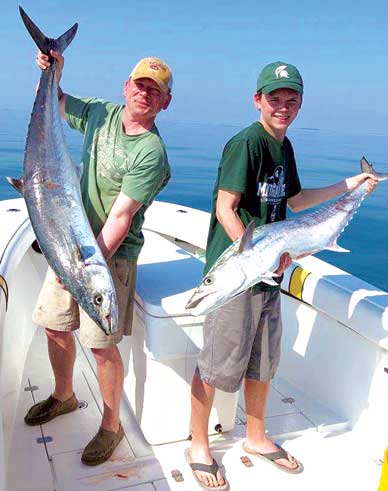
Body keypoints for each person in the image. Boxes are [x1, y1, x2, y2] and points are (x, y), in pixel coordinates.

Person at [186, 61, 378, 490]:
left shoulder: (284, 147)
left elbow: (294, 201)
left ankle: (255, 436)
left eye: (292, 100)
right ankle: (199, 444)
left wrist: (354, 184)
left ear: (300, 105)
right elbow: (225, 208)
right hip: (238, 274)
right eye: (275, 99)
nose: (283, 107)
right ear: (258, 100)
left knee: (264, 361)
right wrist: (253, 258)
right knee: (216, 364)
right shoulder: (247, 144)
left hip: (270, 272)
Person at [24, 51, 172, 466]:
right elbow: (55, 103)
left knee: (101, 346)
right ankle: (64, 395)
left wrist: (84, 271)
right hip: (66, 240)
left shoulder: (151, 152)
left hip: (110, 257)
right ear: (126, 87)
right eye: (140, 85)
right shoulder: (100, 115)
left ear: (165, 102)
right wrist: (53, 71)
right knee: (54, 326)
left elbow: (121, 218)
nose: (145, 94)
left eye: (154, 91)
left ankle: (112, 424)